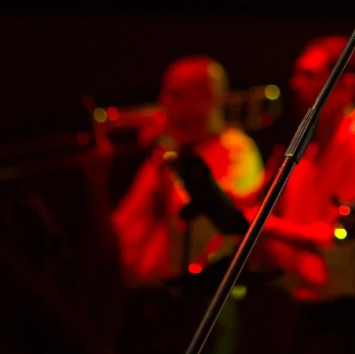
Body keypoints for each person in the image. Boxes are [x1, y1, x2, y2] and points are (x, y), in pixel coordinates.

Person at [246, 36, 355, 354]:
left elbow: (342, 237)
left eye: (309, 75)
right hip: (307, 307)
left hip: (346, 314)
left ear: (346, 84)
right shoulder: (308, 148)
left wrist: (263, 225)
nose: (294, 84)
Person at [110, 55, 264, 353]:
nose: (161, 101)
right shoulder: (164, 156)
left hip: (202, 307)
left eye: (176, 94)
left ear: (210, 99)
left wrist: (168, 159)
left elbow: (200, 223)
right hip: (151, 307)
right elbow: (121, 234)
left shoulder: (235, 150)